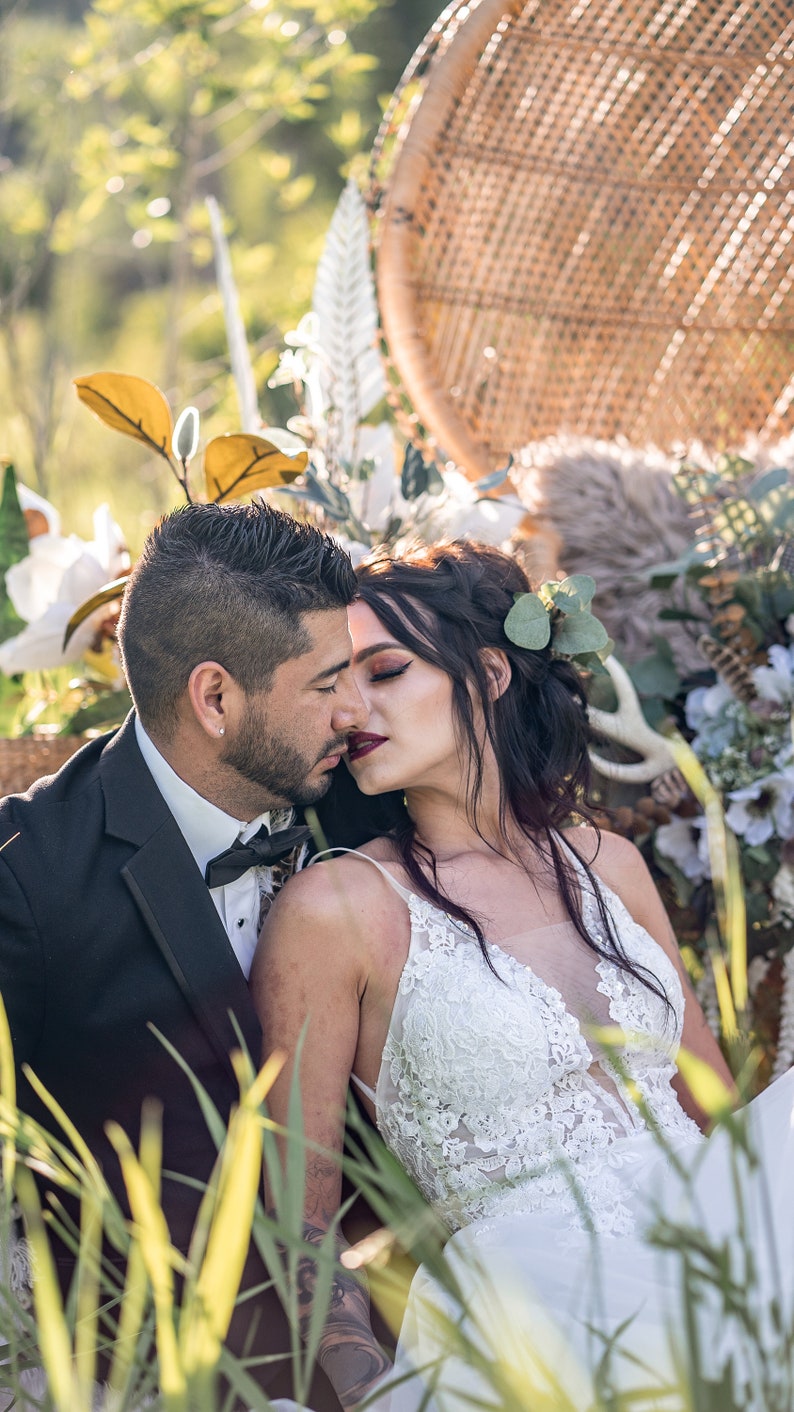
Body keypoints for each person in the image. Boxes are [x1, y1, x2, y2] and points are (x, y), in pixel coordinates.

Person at [252, 538, 794, 1411]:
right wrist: (369, 1394)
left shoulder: (609, 863)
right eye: (332, 686)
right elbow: (297, 1219)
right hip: (550, 1311)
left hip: (729, 1251)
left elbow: (714, 1111)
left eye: (384, 671)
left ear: (492, 672)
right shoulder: (340, 910)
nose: (350, 710)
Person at [0, 499, 367, 1409]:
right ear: (214, 697)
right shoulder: (26, 883)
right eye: (326, 685)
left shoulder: (366, 790)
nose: (357, 711)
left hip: (396, 1324)